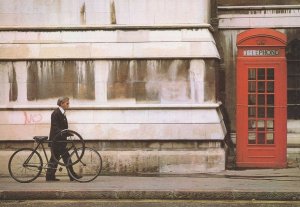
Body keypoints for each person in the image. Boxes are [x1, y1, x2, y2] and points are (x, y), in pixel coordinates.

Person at [46, 97, 81, 181]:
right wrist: (64, 132)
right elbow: (55, 127)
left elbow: (62, 128)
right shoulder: (55, 113)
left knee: (54, 159)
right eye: (67, 103)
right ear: (61, 103)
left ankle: (49, 176)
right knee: (67, 157)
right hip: (57, 141)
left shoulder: (62, 113)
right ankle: (72, 176)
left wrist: (68, 133)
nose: (68, 105)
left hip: (60, 140)